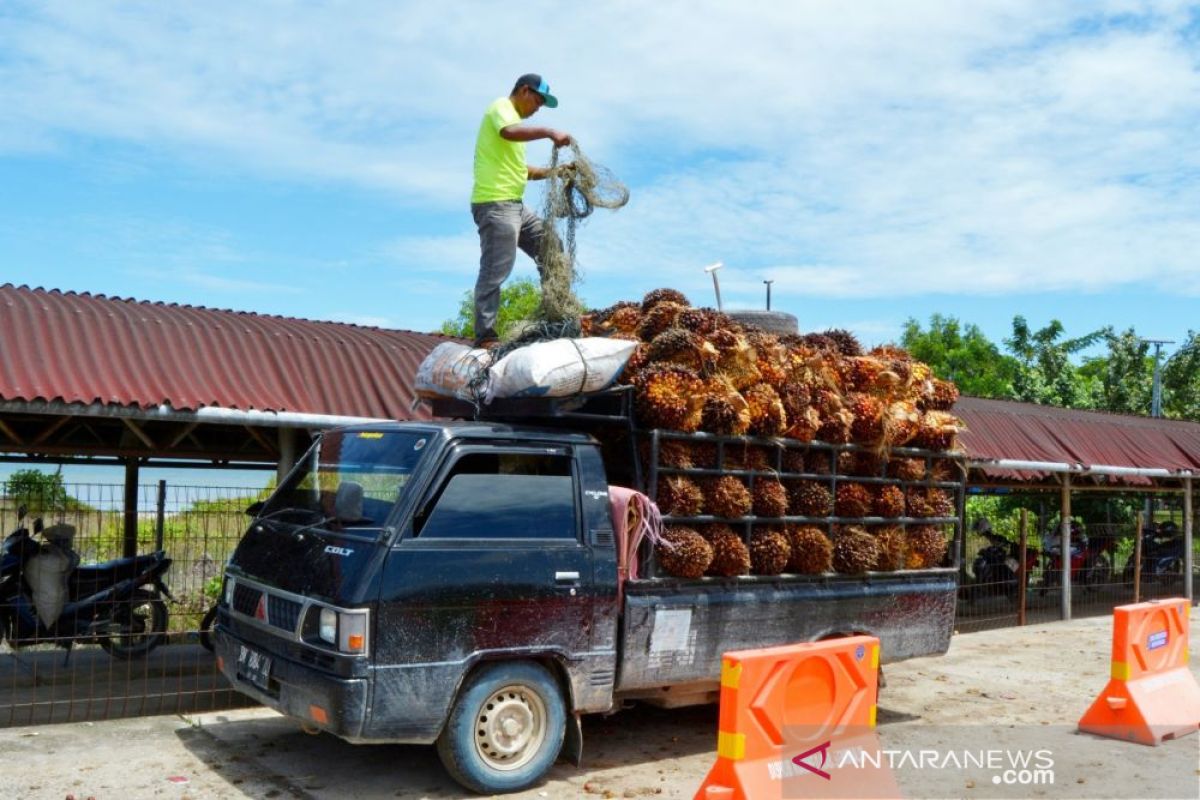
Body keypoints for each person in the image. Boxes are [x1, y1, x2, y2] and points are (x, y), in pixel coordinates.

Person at [469, 73, 572, 348]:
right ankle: (486, 336)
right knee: (497, 267)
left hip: (515, 205)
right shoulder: (502, 108)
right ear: (524, 91)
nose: (538, 108)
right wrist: (549, 132)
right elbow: (509, 132)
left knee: (550, 244)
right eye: (538, 101)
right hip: (495, 203)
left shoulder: (515, 128)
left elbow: (522, 171)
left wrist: (556, 172)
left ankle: (555, 315)